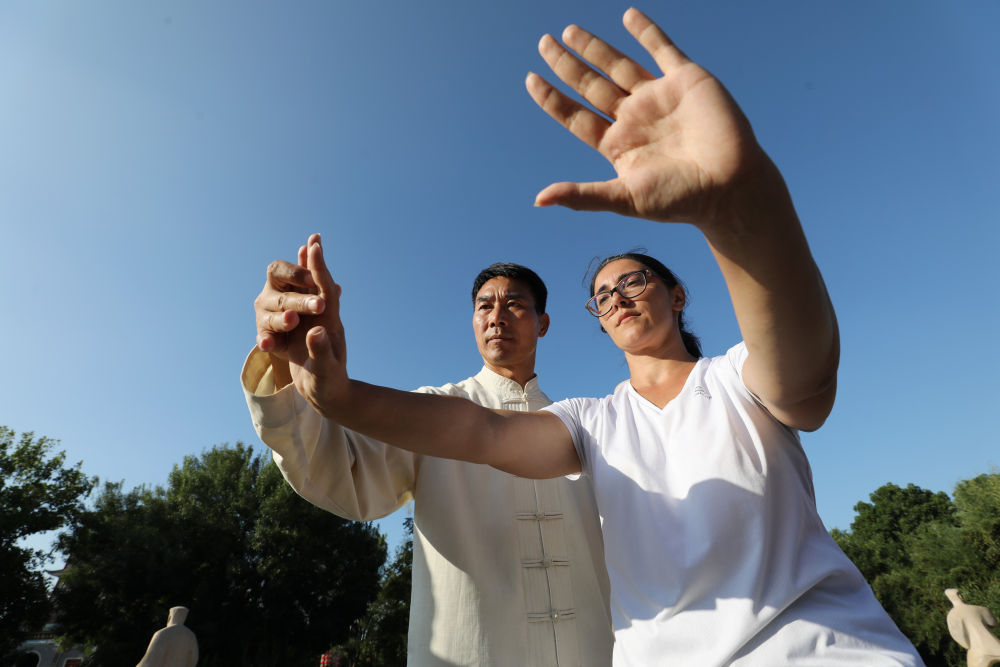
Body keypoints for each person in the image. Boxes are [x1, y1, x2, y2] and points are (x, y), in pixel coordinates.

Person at [265, 8, 927, 666]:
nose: (617, 298)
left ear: (675, 295)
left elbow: (806, 372)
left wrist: (739, 207)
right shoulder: (582, 422)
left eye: (633, 281)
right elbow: (473, 433)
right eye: (603, 295)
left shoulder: (735, 379)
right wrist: (331, 392)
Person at [244, 260, 613, 665]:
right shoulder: (431, 412)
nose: (496, 317)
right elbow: (337, 472)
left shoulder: (586, 429)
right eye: (484, 306)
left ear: (543, 324)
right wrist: (284, 360)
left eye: (514, 304)